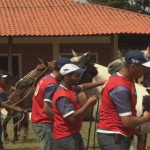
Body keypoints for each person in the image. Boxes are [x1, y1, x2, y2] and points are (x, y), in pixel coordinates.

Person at [97, 50, 150, 150]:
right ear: (133, 67)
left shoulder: (123, 80)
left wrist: (137, 132)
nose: (145, 70)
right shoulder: (120, 88)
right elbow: (127, 121)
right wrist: (146, 118)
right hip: (114, 137)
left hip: (117, 134)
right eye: (143, 67)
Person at [52, 63, 106, 150]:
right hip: (65, 137)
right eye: (76, 75)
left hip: (73, 133)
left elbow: (83, 86)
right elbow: (72, 117)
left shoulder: (71, 88)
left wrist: (102, 82)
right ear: (66, 76)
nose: (79, 77)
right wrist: (88, 103)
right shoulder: (62, 95)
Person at [31, 57, 71, 150]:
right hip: (45, 122)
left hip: (39, 120)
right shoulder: (52, 84)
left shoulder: (46, 78)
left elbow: (35, 99)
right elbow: (47, 108)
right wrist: (59, 121)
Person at [0, 73, 25, 150]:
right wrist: (17, 109)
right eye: (2, 78)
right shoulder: (0, 90)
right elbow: (5, 102)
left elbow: (5, 98)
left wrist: (10, 91)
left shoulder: (1, 89)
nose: (4, 79)